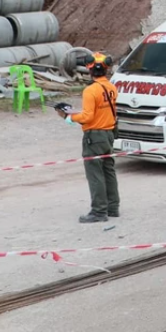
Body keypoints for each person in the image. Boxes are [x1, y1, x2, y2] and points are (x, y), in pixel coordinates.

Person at [59, 52, 121, 223]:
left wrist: (69, 117)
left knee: (95, 174)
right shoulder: (111, 87)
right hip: (108, 134)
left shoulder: (90, 91)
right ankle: (112, 207)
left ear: (89, 69)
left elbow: (87, 117)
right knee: (109, 171)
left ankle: (99, 211)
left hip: (94, 137)